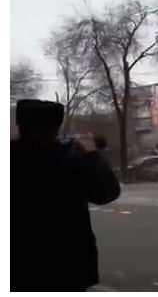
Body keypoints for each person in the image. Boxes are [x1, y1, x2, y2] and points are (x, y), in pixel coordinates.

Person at [11, 99, 121, 291]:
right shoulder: (70, 160)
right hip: (68, 266)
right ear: (56, 127)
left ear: (20, 126)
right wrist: (92, 155)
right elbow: (107, 193)